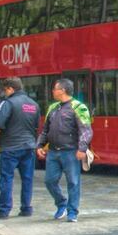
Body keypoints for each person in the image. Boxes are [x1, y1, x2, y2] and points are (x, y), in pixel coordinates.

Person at [36, 79, 93, 222]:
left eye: (54, 89)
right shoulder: (52, 108)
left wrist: (82, 148)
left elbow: (86, 130)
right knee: (49, 181)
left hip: (71, 152)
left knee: (73, 182)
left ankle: (72, 212)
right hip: (53, 152)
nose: (53, 91)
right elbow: (45, 130)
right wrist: (39, 145)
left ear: (62, 90)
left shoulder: (79, 107)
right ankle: (61, 203)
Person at [0, 77, 41, 219]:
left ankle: (4, 210)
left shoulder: (8, 103)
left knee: (6, 178)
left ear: (10, 89)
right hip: (29, 146)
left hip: (10, 147)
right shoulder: (34, 104)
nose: (5, 93)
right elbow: (36, 126)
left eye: (5, 90)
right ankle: (26, 208)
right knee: (27, 179)